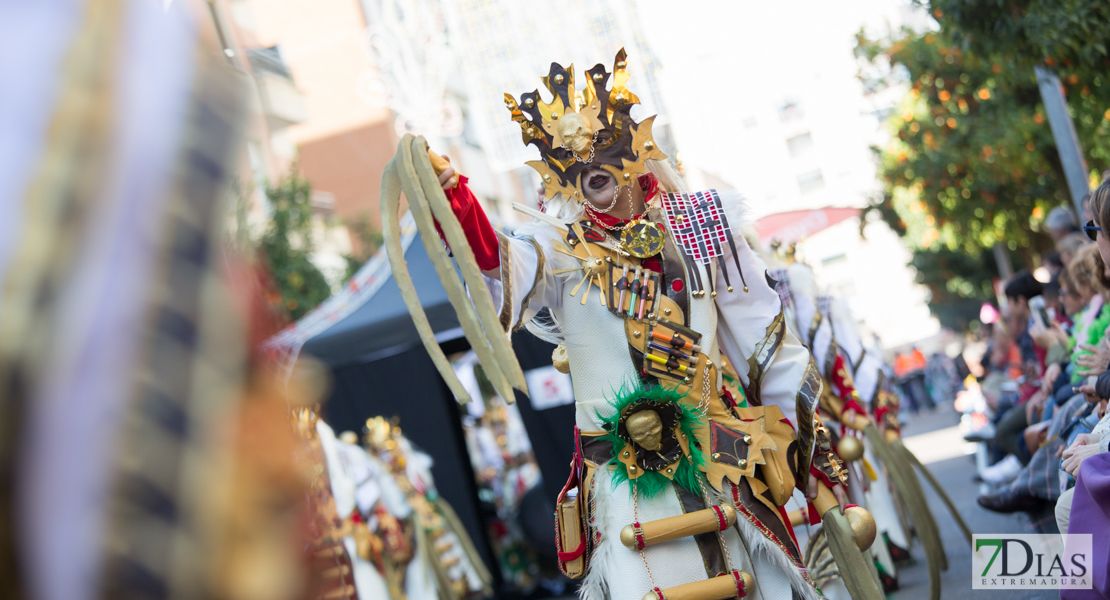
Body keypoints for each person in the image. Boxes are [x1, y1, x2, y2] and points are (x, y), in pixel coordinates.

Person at [426, 50, 850, 600]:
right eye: (572, 166)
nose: (586, 168)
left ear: (635, 148)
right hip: (625, 479)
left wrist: (800, 445)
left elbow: (763, 340)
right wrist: (458, 200)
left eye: (599, 153)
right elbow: (499, 265)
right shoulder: (558, 248)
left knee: (763, 583)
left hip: (721, 451)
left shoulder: (700, 220)